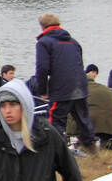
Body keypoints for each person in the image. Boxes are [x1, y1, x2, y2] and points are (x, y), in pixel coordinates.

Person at [33, 13, 95, 151]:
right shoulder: (73, 42)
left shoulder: (44, 43)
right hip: (80, 85)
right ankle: (92, 150)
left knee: (55, 121)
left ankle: (56, 152)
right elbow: (79, 63)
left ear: (42, 26)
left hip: (61, 88)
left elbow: (42, 68)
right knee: (83, 120)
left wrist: (42, 90)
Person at [69, 65, 112, 149]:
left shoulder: (77, 90)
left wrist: (68, 133)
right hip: (111, 126)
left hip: (89, 125)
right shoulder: (105, 89)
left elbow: (71, 114)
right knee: (105, 139)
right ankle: (105, 149)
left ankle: (89, 151)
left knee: (83, 131)